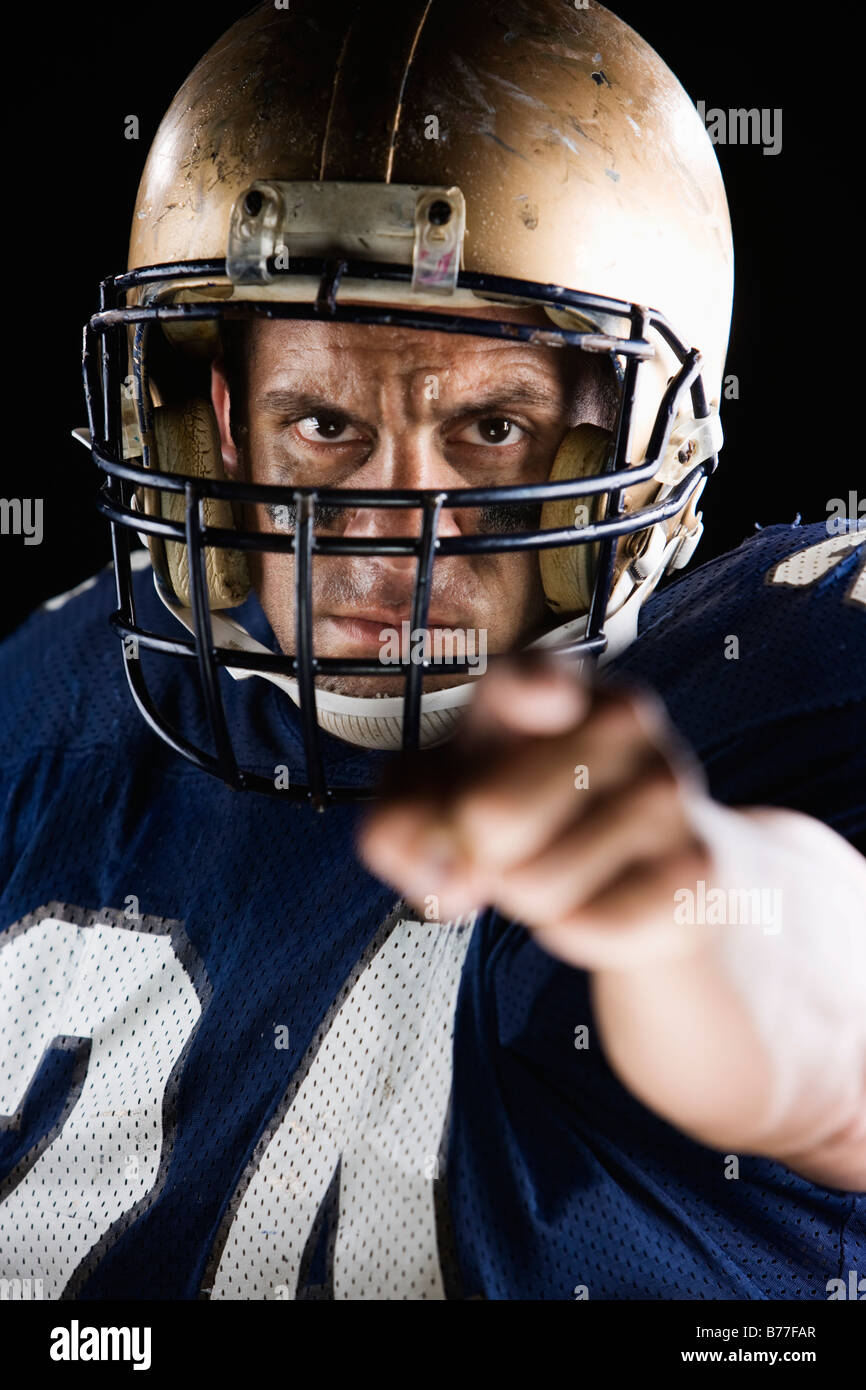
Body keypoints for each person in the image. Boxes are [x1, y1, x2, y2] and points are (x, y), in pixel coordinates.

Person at [1, 0, 863, 1301]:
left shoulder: (768, 667)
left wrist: (688, 892)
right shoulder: (67, 692)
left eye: (494, 431)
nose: (386, 534)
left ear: (641, 439)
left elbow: (828, 1039)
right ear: (222, 421)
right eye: (323, 421)